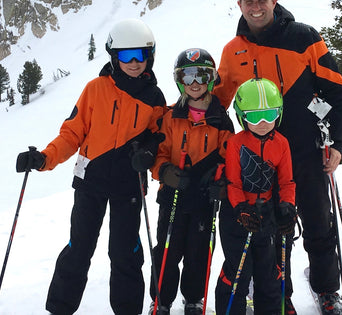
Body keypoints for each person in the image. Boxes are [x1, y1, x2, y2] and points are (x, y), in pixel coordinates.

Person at [214, 0, 342, 315]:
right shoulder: (233, 50)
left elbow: (335, 91)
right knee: (270, 231)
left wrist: (336, 143)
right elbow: (218, 102)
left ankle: (327, 289)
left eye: (262, 0)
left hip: (305, 150)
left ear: (274, 0)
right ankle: (279, 294)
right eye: (249, 1)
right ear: (240, 5)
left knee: (318, 222)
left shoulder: (304, 37)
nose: (256, 7)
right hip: (258, 159)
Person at [15, 18, 167, 315]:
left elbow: (159, 139)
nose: (134, 62)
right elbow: (72, 133)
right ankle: (60, 308)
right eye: (126, 55)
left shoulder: (154, 98)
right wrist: (44, 158)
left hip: (128, 185)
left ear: (150, 56)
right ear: (114, 56)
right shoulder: (96, 89)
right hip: (91, 182)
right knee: (79, 247)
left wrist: (148, 154)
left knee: (125, 251)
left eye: (140, 54)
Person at [147, 48, 234, 315]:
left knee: (199, 250)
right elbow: (159, 153)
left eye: (201, 76)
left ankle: (194, 297)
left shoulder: (221, 120)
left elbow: (229, 158)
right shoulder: (171, 117)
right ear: (179, 81)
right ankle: (161, 298)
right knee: (168, 249)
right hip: (174, 195)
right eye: (187, 77)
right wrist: (164, 172)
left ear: (211, 79)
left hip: (203, 197)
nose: (194, 83)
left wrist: (222, 183)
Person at [214, 78, 296, 315]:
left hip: (265, 213)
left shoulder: (282, 143)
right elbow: (233, 182)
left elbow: (287, 182)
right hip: (236, 215)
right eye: (254, 117)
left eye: (269, 115)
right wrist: (241, 208)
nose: (262, 123)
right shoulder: (236, 143)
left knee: (267, 271)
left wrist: (287, 207)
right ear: (242, 117)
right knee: (238, 271)